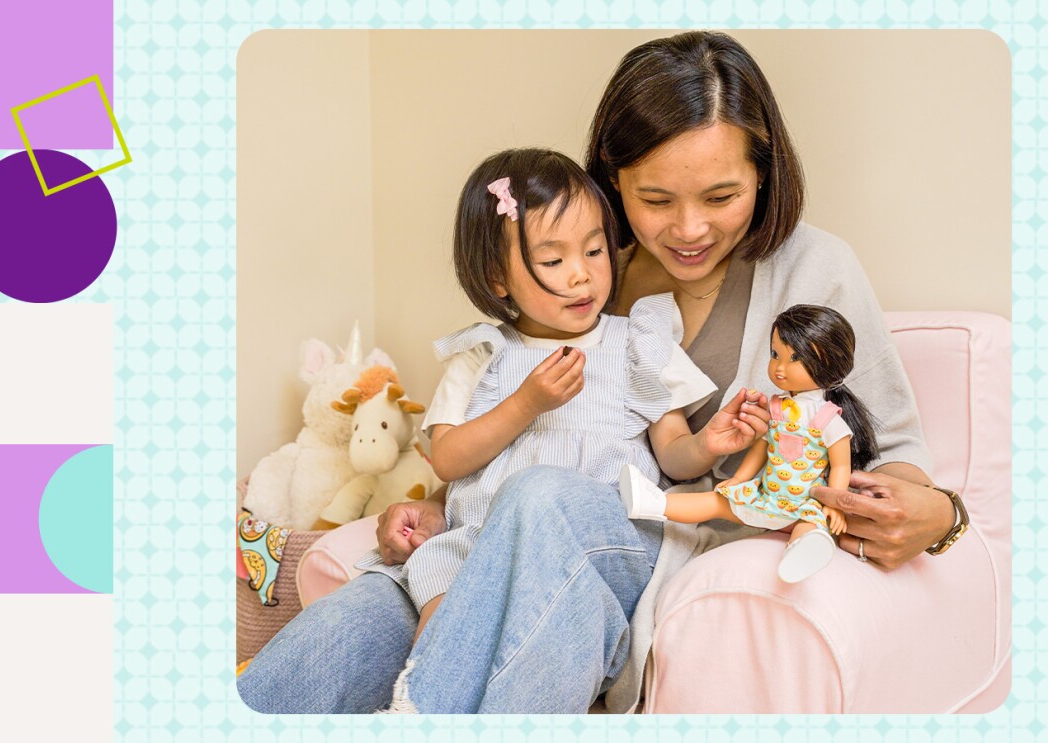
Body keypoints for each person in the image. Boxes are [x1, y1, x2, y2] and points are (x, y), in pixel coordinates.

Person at [238, 30, 962, 714]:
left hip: (653, 535)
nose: (687, 229)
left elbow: (896, 456)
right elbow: (508, 429)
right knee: (364, 614)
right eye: (654, 200)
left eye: (720, 197)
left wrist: (939, 515)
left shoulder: (813, 272)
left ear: (764, 174)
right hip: (515, 542)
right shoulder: (583, 278)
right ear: (613, 182)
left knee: (544, 498)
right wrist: (452, 505)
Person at [344, 147, 770, 711]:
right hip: (474, 544)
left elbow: (672, 455)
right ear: (498, 277)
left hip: (590, 542)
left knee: (527, 547)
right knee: (442, 619)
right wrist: (525, 404)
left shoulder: (636, 343)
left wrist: (708, 443)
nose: (583, 274)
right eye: (553, 261)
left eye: (595, 250)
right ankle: (422, 702)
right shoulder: (480, 356)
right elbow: (447, 460)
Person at [621, 304, 878, 583]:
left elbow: (841, 466)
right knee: (717, 503)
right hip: (768, 496)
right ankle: (653, 504)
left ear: (828, 363)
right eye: (775, 354)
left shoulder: (828, 419)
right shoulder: (777, 407)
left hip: (806, 502)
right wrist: (740, 479)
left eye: (795, 359)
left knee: (811, 527)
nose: (779, 368)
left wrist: (834, 505)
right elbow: (762, 449)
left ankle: (802, 553)